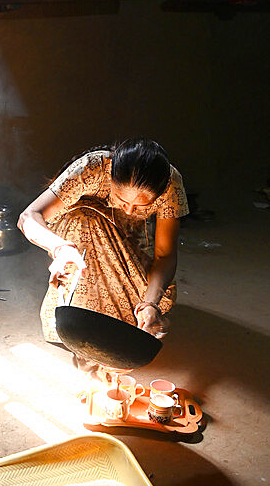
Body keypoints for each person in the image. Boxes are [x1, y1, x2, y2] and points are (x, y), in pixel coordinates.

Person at [17, 138, 188, 372]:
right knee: (88, 221)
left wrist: (150, 303)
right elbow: (28, 216)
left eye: (140, 207)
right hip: (78, 238)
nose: (129, 210)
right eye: (122, 199)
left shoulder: (170, 184)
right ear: (112, 178)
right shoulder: (92, 168)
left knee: (142, 312)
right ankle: (84, 326)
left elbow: (165, 256)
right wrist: (60, 248)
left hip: (125, 238)